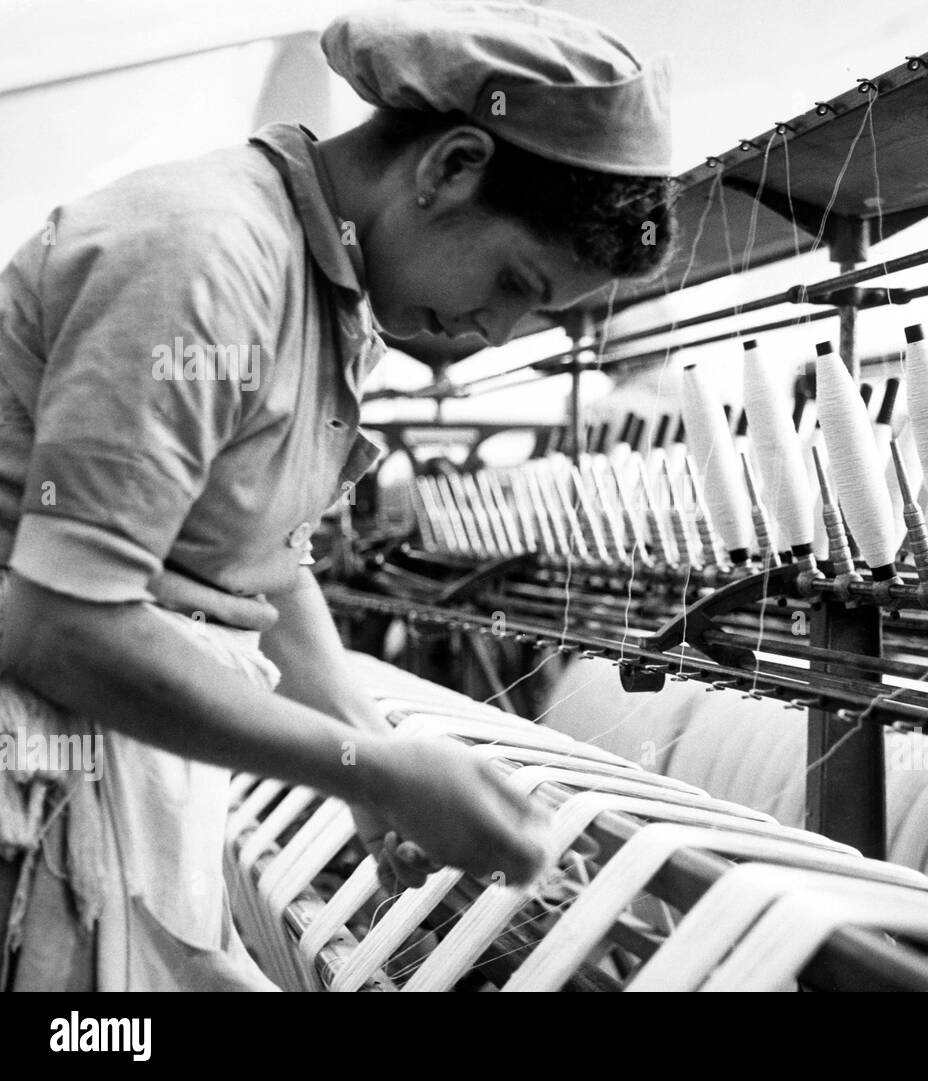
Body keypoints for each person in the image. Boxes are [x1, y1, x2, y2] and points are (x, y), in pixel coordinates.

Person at [0, 1, 674, 990]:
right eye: (515, 283)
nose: (497, 329)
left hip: (105, 762)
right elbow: (59, 624)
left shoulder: (327, 301)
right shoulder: (205, 256)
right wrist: (373, 771)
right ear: (448, 168)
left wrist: (370, 751)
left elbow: (261, 566)